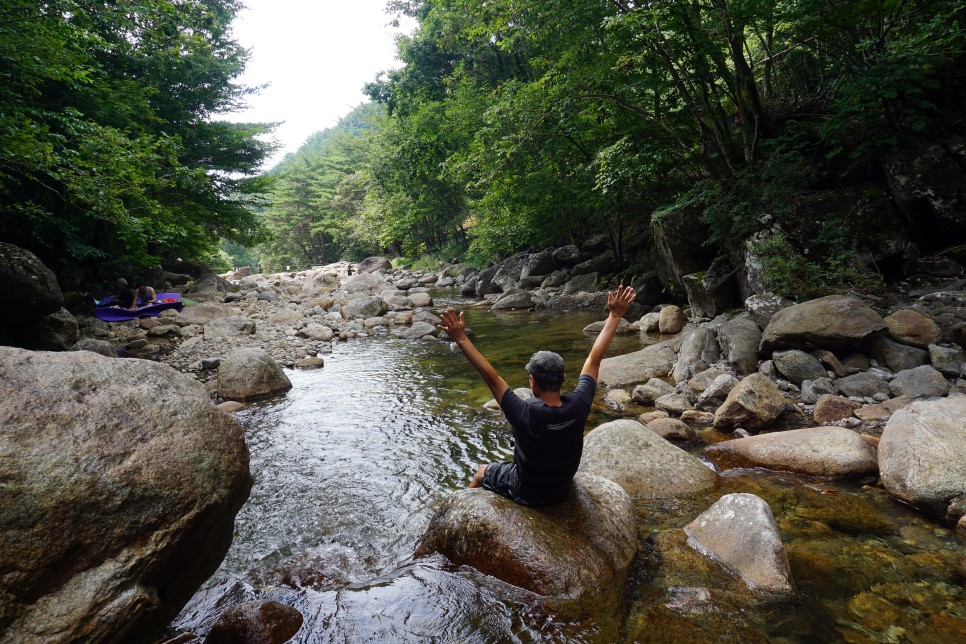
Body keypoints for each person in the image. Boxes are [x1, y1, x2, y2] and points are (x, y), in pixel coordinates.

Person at [437, 284, 636, 506]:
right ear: (564, 376)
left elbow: (491, 378)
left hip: (530, 492)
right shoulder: (579, 404)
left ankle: (460, 507)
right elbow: (594, 359)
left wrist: (461, 339)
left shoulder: (526, 413)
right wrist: (615, 315)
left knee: (482, 471)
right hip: (562, 487)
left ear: (532, 381)